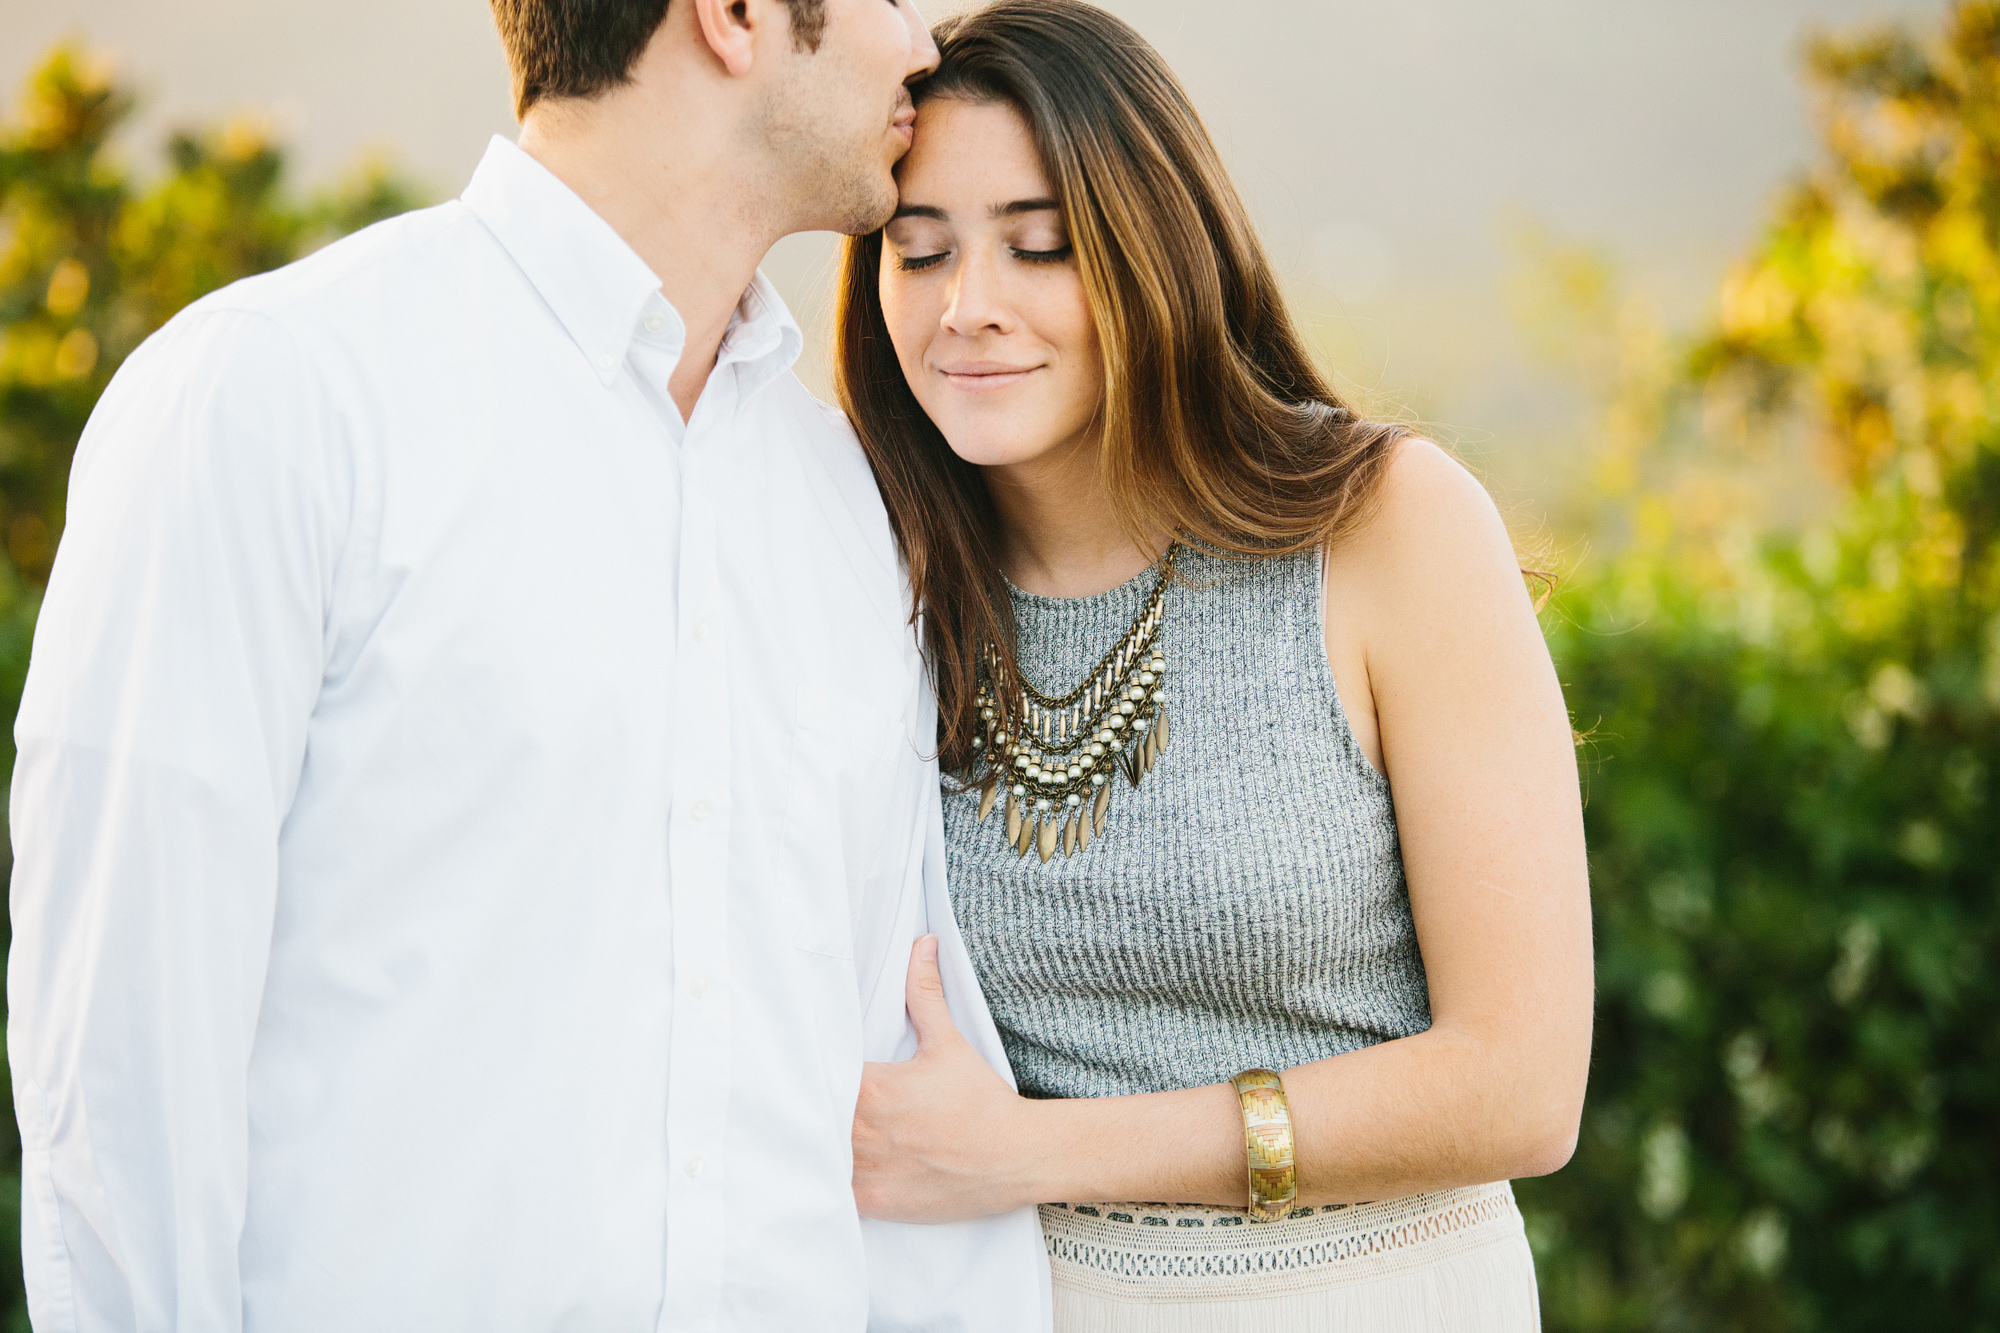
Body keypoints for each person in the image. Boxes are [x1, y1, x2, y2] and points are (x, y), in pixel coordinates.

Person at [6, 0, 1050, 1328]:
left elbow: (889, 1067)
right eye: (885, 0)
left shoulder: (850, 500)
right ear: (731, 17)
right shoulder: (272, 400)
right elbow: (124, 1069)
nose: (920, 45)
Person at [840, 1, 1594, 1326]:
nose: (969, 309)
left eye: (1041, 247)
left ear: (1155, 250)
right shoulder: (876, 573)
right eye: (918, 252)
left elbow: (1523, 1081)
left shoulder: (1387, 527)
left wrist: (1031, 1151)